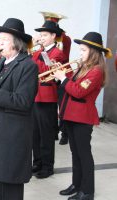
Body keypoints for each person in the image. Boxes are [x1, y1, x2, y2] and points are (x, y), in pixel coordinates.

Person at [0, 18, 38, 200]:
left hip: (12, 136)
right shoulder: (1, 62)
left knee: (9, 187)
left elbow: (23, 101)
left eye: (3, 40)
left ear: (16, 43)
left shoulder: (28, 66)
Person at [53, 32, 111, 200]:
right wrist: (62, 73)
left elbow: (78, 91)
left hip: (82, 118)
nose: (80, 53)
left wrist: (63, 78)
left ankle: (87, 191)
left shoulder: (96, 71)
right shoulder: (82, 67)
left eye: (83, 50)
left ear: (93, 52)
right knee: (75, 153)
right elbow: (71, 84)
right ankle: (76, 185)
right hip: (71, 115)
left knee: (84, 155)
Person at [32, 20, 67, 179]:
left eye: (45, 35)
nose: (41, 37)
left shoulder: (58, 53)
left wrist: (37, 54)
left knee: (46, 134)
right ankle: (37, 161)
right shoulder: (37, 51)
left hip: (47, 97)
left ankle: (47, 166)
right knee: (35, 133)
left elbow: (45, 70)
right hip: (34, 96)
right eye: (41, 34)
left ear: (54, 36)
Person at [40, 11, 72, 145]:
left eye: (53, 22)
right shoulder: (45, 43)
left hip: (61, 74)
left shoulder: (64, 38)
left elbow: (61, 55)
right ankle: (54, 132)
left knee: (62, 106)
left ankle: (64, 133)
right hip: (50, 77)